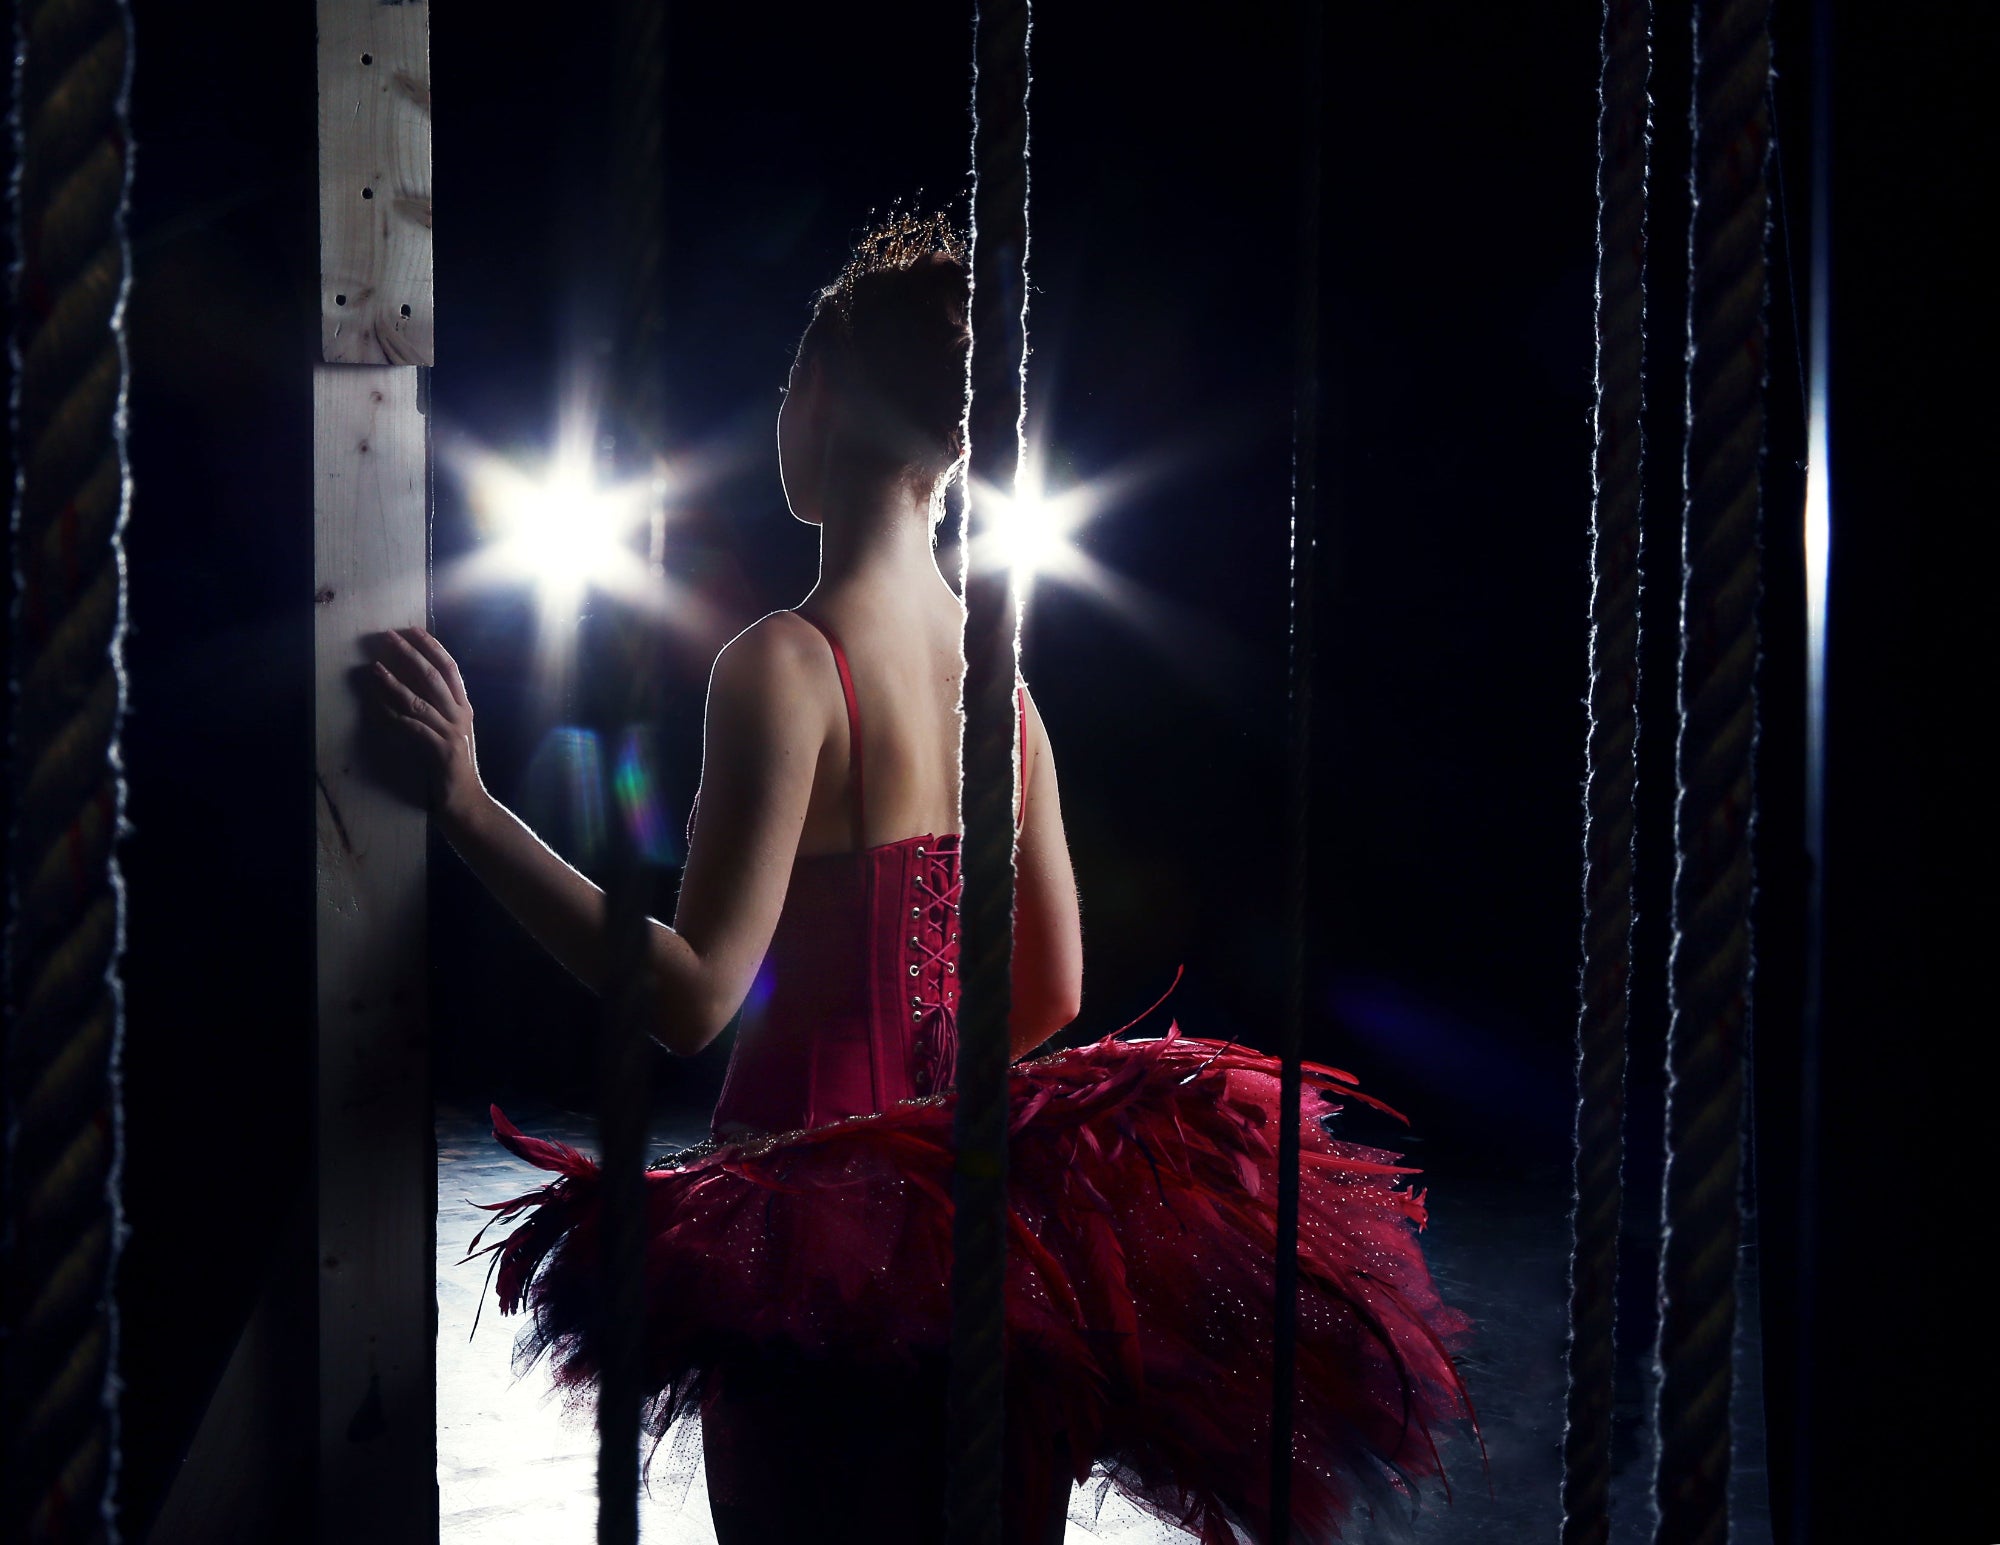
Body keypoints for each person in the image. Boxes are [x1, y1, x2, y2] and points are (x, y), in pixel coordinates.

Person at [369, 211, 1473, 1545]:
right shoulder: (1004, 688)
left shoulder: (783, 664)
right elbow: (1055, 983)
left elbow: (692, 995)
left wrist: (473, 807)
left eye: (789, 379)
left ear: (821, 394)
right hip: (987, 1243)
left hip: (804, 1257)